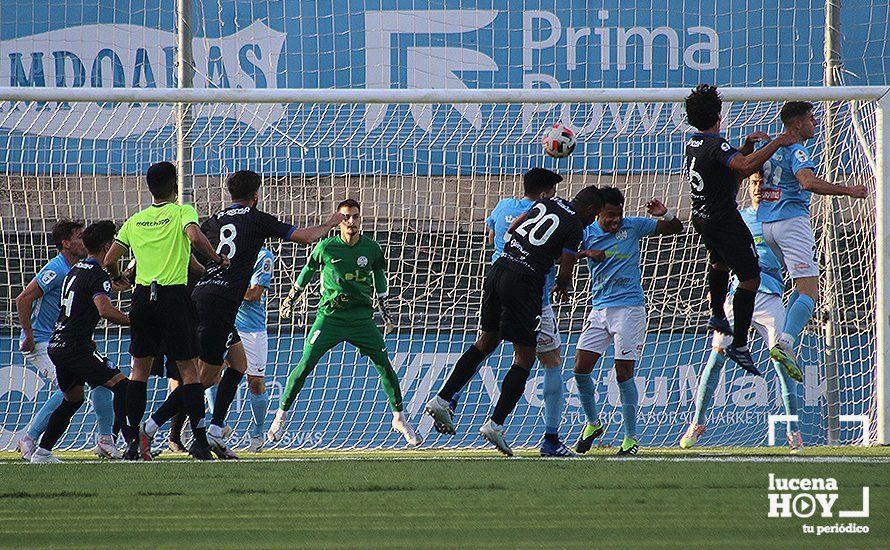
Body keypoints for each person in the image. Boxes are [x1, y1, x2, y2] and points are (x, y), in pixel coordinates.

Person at [139, 170, 343, 460]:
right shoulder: (256, 218)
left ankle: (215, 431)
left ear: (229, 193)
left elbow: (189, 249)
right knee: (204, 379)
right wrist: (329, 224)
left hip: (201, 297)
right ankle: (150, 427)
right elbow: (306, 237)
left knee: (238, 364)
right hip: (219, 305)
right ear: (256, 195)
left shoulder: (214, 219)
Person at [426, 170, 603, 457]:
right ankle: (500, 425)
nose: (591, 221)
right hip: (527, 286)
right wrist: (562, 284)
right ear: (590, 210)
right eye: (593, 216)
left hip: (498, 270)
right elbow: (567, 262)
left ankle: (443, 399)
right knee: (528, 357)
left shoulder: (542, 204)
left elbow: (511, 230)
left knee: (486, 341)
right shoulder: (575, 224)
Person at [268, 199, 421, 446]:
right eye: (346, 217)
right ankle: (280, 417)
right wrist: (290, 299)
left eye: (355, 216)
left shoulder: (371, 249)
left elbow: (380, 279)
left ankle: (399, 418)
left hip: (361, 319)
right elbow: (307, 272)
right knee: (305, 364)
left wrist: (385, 310)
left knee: (384, 364)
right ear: (339, 220)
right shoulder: (326, 247)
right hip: (330, 318)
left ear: (361, 219)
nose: (351, 221)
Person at [104, 161, 228, 460]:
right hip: (173, 298)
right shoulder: (182, 211)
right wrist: (217, 259)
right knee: (189, 370)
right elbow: (196, 238)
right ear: (174, 185)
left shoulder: (136, 220)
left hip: (143, 299)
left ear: (149, 188)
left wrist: (119, 276)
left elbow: (109, 259)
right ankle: (199, 442)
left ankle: (133, 444)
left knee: (139, 370)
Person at [681, 172, 805, 453]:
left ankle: (793, 429)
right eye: (754, 183)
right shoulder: (738, 218)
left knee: (782, 362)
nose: (759, 188)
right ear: (748, 187)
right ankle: (697, 422)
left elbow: (797, 263)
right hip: (739, 295)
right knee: (716, 357)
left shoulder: (781, 220)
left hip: (771, 297)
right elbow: (720, 257)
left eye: (763, 183)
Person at [683, 84, 794, 374]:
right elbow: (743, 167)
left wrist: (743, 149)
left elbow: (726, 166)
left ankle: (718, 314)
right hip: (725, 221)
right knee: (750, 280)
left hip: (702, 217)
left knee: (719, 263)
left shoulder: (693, 143)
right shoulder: (716, 145)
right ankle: (740, 344)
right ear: (718, 115)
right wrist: (776, 143)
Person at [758, 102, 869, 375]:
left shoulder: (771, 149)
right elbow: (807, 182)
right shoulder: (797, 150)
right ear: (797, 124)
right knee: (811, 291)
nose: (815, 122)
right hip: (792, 223)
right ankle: (784, 343)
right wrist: (849, 191)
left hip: (768, 225)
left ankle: (785, 339)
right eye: (811, 118)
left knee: (801, 285)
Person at [571, 188, 683, 456]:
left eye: (619, 214)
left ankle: (630, 439)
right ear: (598, 213)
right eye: (610, 215)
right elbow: (563, 254)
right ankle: (593, 424)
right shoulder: (585, 233)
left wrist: (665, 213)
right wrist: (587, 254)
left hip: (629, 309)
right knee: (580, 369)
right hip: (599, 310)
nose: (616, 220)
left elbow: (676, 228)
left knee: (623, 374)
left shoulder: (633, 226)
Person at [15, 220, 119, 460]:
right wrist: (29, 334)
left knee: (101, 381)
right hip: (42, 341)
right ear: (66, 243)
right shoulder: (57, 269)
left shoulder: (79, 269)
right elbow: (22, 299)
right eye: (79, 237)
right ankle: (29, 439)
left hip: (66, 342)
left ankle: (105, 439)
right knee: (67, 392)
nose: (84, 241)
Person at [235, 247, 275, 453]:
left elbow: (254, 294)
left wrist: (227, 288)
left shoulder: (263, 256)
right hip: (225, 323)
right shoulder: (225, 249)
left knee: (256, 383)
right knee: (212, 376)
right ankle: (216, 427)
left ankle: (258, 434)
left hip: (252, 330)